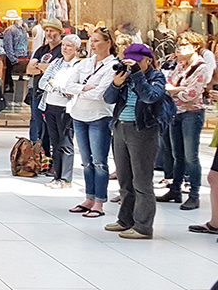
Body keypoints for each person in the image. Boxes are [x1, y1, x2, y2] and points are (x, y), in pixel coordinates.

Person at [103, 42, 168, 239]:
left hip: (143, 131)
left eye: (137, 61)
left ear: (148, 59)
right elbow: (108, 98)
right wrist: (116, 83)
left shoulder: (156, 77)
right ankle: (125, 220)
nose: (132, 65)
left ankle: (143, 226)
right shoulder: (126, 76)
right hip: (121, 127)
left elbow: (150, 97)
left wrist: (138, 75)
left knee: (141, 180)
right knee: (124, 179)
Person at [65, 25, 117, 218]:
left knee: (99, 162)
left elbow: (100, 94)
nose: (92, 45)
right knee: (86, 162)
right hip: (79, 115)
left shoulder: (113, 65)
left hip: (99, 117)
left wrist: (82, 88)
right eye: (91, 41)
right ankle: (89, 198)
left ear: (108, 43)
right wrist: (85, 88)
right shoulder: (85, 63)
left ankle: (99, 202)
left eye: (96, 41)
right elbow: (68, 84)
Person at [160, 31, 209, 211]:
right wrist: (177, 89)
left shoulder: (201, 67)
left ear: (195, 46)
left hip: (192, 114)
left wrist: (175, 91)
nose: (180, 48)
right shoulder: (179, 65)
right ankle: (175, 189)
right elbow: (167, 84)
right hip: (177, 112)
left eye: (185, 45)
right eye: (179, 44)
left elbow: (192, 94)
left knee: (191, 156)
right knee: (177, 154)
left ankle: (194, 194)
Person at [38, 32, 82, 187]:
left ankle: (66, 178)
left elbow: (70, 89)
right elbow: (42, 82)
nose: (65, 48)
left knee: (66, 142)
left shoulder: (78, 67)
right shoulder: (56, 62)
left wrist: (55, 85)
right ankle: (57, 176)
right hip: (50, 105)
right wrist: (57, 86)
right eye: (64, 45)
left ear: (76, 49)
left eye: (69, 46)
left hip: (66, 108)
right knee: (54, 142)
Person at [26, 17, 64, 156]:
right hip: (37, 93)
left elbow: (60, 70)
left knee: (52, 129)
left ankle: (54, 159)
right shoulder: (41, 50)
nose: (48, 33)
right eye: (46, 30)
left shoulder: (62, 50)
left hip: (53, 96)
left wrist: (42, 68)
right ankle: (42, 157)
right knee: (39, 127)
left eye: (52, 30)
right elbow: (29, 69)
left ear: (59, 33)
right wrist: (46, 68)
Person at [2, 11, 30, 106]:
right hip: (23, 58)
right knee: (21, 81)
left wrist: (13, 59)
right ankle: (19, 101)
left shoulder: (9, 30)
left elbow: (8, 46)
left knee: (14, 80)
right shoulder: (23, 29)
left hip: (15, 59)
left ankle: (13, 101)